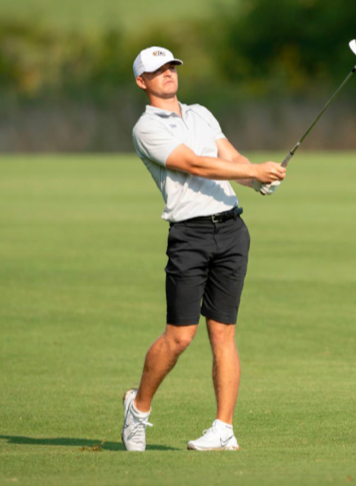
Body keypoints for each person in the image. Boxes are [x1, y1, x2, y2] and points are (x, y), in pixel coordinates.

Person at [122, 46, 286, 452]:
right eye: (157, 71)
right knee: (179, 337)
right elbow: (194, 164)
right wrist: (251, 170)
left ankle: (223, 428)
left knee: (223, 334)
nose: (168, 74)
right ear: (142, 81)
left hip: (231, 230)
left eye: (171, 67)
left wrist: (256, 180)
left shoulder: (201, 113)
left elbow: (228, 157)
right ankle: (138, 409)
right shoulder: (146, 128)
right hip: (189, 236)